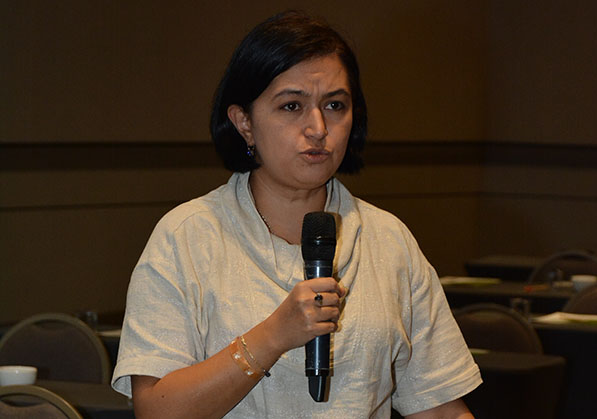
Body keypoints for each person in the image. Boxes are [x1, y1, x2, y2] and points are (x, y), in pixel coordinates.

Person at [111, 10, 481, 419]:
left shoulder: (388, 240)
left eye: (335, 105)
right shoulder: (187, 236)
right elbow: (156, 410)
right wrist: (273, 336)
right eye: (292, 106)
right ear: (244, 123)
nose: (318, 127)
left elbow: (441, 409)